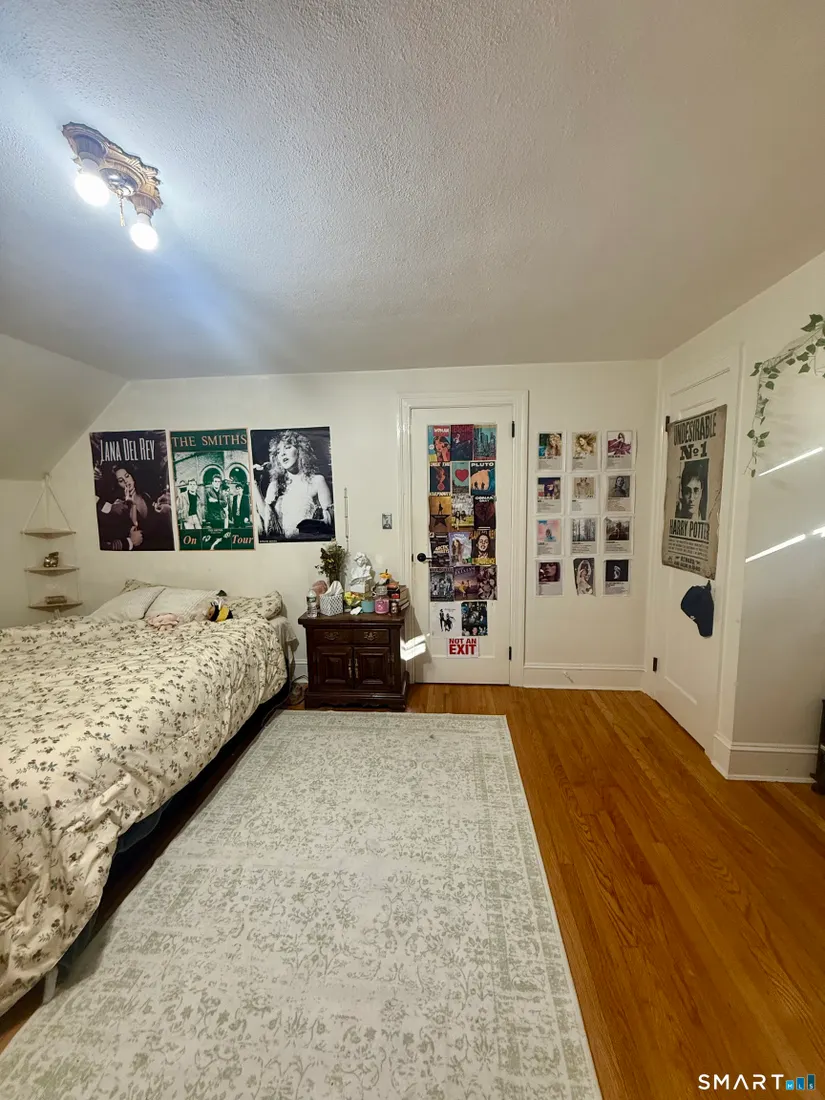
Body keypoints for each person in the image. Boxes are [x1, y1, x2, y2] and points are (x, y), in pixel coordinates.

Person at [254, 431, 334, 540]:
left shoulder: (317, 481)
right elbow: (267, 520)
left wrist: (312, 525)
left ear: (300, 450)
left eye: (287, 447)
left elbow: (330, 523)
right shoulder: (275, 486)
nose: (282, 453)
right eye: (278, 452)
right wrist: (255, 483)